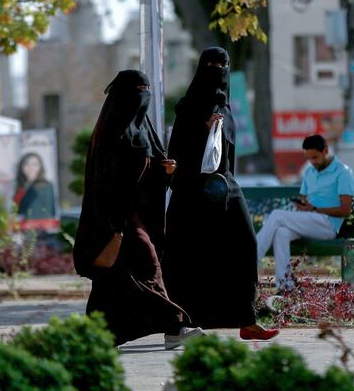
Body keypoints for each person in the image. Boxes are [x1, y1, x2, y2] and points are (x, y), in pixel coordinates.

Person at [73, 70, 204, 349]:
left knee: (110, 282)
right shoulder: (109, 134)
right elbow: (102, 183)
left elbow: (149, 173)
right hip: (113, 219)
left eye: (146, 90)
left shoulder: (143, 128)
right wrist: (112, 225)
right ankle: (175, 324)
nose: (141, 97)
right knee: (146, 263)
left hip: (134, 214)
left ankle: (97, 336)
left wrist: (165, 171)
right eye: (137, 90)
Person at [162, 47, 279, 340]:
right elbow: (176, 155)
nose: (218, 70)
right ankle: (177, 325)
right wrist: (202, 131)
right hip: (192, 192)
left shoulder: (225, 108)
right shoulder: (188, 107)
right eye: (212, 65)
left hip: (224, 188)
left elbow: (229, 156)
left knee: (245, 245)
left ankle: (246, 319)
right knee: (187, 259)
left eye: (223, 65)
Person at [256, 134, 354, 290]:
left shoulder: (343, 173)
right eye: (309, 158)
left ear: (325, 151)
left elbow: (345, 210)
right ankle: (284, 284)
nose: (312, 162)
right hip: (309, 221)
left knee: (276, 215)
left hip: (327, 225)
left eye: (315, 157)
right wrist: (302, 206)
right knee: (281, 232)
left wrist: (316, 209)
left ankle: (250, 260)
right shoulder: (309, 172)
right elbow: (304, 200)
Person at [14, 152, 56, 219]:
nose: (30, 168)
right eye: (26, 164)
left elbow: (49, 211)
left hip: (39, 226)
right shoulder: (20, 186)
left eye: (34, 164)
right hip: (21, 226)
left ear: (40, 167)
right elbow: (16, 209)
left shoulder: (46, 186)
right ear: (21, 167)